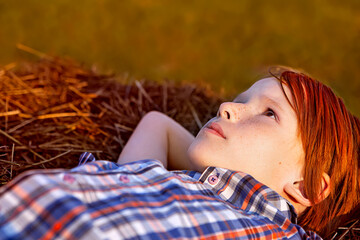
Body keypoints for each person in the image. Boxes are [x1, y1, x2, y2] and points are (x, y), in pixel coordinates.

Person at [0, 69, 358, 239]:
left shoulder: (279, 234)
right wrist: (213, 164)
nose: (227, 106)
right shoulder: (166, 183)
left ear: (307, 187)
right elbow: (157, 124)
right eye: (240, 98)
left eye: (269, 113)